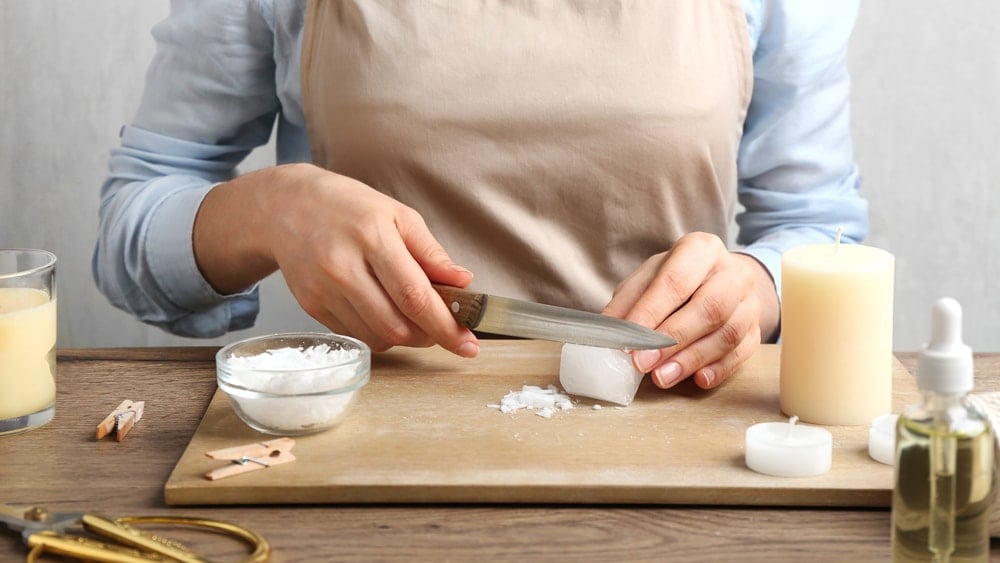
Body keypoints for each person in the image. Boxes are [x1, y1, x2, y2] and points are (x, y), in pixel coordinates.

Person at [93, 0, 868, 392]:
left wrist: (756, 287)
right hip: (358, 458)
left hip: (671, 442)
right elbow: (128, 230)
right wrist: (270, 209)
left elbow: (820, 228)